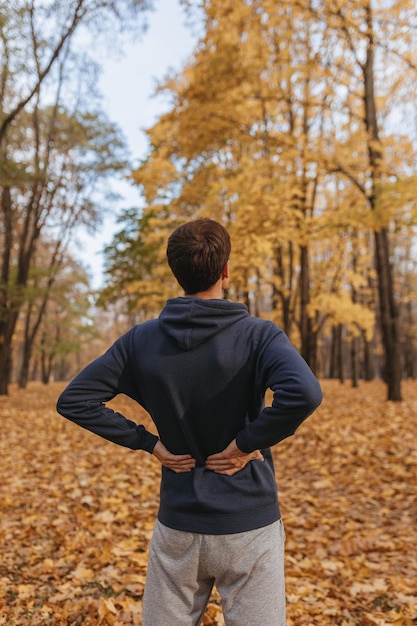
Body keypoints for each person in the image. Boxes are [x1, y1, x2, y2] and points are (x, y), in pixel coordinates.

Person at [56, 218, 322, 626]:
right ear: (225, 270)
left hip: (179, 523)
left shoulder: (140, 341)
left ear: (176, 272)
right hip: (249, 525)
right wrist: (245, 445)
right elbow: (304, 393)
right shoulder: (260, 336)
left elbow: (75, 399)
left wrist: (149, 443)